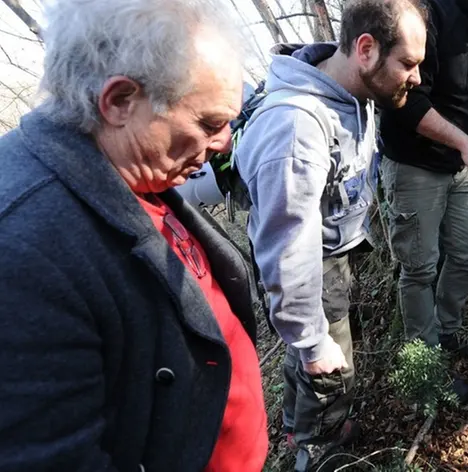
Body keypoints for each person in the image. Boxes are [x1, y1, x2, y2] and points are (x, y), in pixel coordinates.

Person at [0, 1, 268, 471]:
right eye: (209, 123)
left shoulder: (137, 167)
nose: (225, 141)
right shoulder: (23, 247)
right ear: (120, 100)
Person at [233, 0, 427, 469]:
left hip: (332, 257)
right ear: (366, 49)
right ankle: (317, 450)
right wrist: (311, 340)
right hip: (310, 273)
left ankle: (297, 425)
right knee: (331, 370)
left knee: (315, 361)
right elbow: (286, 253)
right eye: (408, 63)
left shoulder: (353, 94)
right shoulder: (298, 128)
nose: (416, 78)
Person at [378, 0, 468, 366]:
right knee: (419, 268)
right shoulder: (431, 13)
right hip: (415, 164)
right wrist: (467, 146)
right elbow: (404, 100)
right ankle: (424, 361)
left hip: (464, 164)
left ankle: (447, 327)